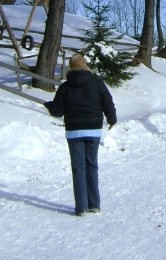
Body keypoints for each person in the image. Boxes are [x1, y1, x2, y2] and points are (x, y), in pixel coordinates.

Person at [44, 53, 117, 216]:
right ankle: (94, 204)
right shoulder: (97, 83)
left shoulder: (65, 87)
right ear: (84, 64)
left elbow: (57, 111)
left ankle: (81, 208)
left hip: (74, 131)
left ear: (71, 66)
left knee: (78, 168)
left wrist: (48, 105)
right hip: (93, 129)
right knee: (92, 165)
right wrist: (112, 119)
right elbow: (107, 102)